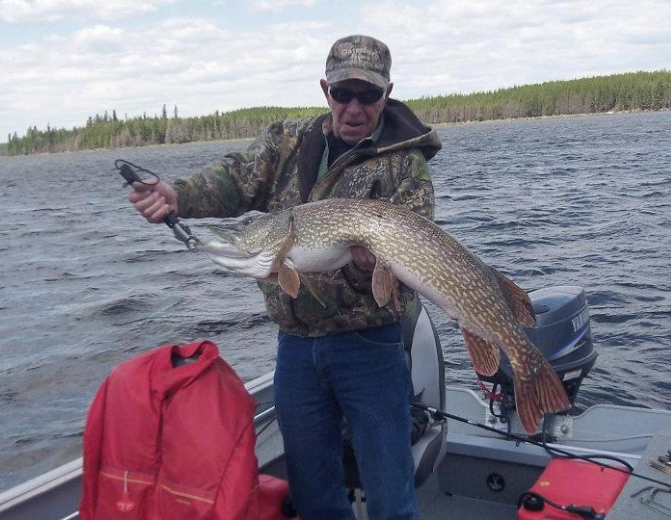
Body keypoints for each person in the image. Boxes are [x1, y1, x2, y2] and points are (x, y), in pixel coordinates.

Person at [128, 35, 441, 520]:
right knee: (314, 494)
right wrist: (178, 194)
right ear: (325, 90)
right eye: (343, 94)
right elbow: (235, 179)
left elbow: (409, 269)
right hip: (296, 348)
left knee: (390, 496)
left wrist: (368, 268)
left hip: (370, 347)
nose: (354, 107)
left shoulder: (406, 166)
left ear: (387, 93)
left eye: (368, 95)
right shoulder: (288, 140)